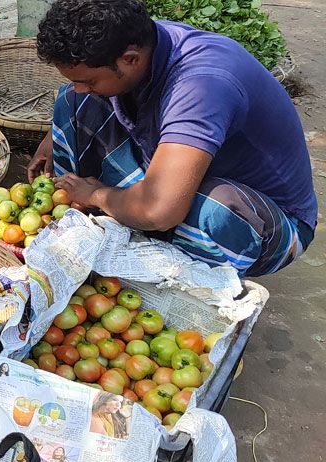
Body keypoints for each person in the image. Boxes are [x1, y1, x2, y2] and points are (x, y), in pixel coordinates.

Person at [28, 0, 316, 277]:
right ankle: (82, 222)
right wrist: (60, 131)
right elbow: (84, 95)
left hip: (264, 220)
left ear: (130, 59)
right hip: (180, 176)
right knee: (75, 103)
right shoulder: (138, 43)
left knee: (212, 209)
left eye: (89, 80)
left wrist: (95, 194)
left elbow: (159, 208)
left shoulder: (202, 85)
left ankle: (184, 278)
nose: (81, 88)